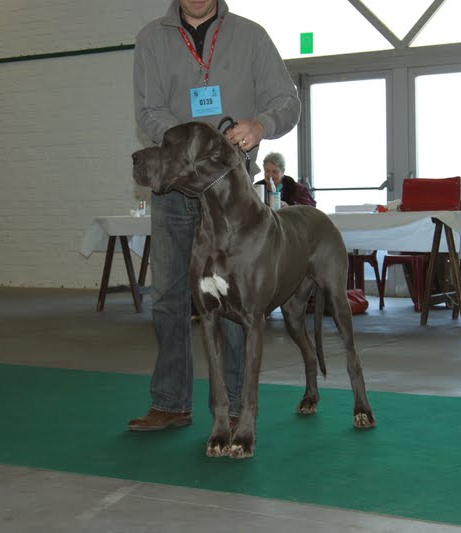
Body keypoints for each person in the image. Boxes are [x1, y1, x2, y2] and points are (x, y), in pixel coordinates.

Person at [127, 0, 301, 431]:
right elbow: (148, 112)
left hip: (232, 194)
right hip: (175, 189)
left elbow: (287, 101)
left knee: (238, 302)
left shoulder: (252, 36)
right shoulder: (151, 39)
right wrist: (196, 145)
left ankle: (238, 406)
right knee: (168, 298)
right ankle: (171, 402)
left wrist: (260, 125)